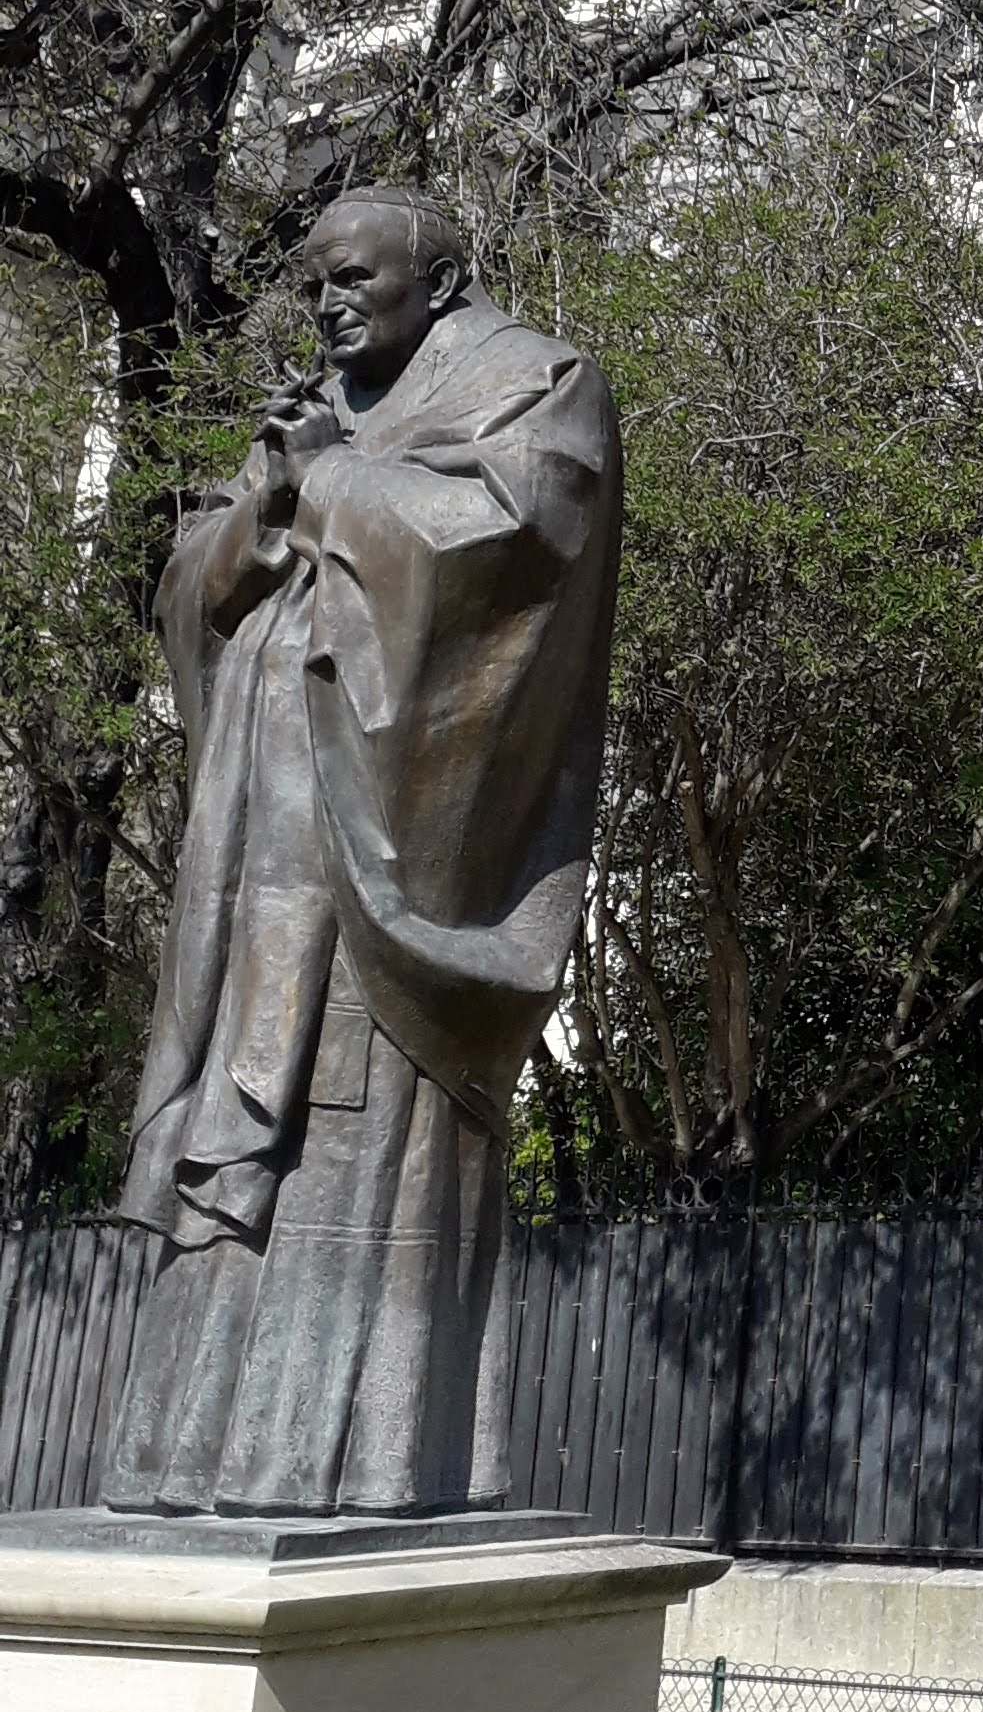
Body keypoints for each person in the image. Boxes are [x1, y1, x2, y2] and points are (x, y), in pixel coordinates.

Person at [105, 191, 622, 1516]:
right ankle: (183, 1462)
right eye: (314, 285)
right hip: (251, 851)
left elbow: (524, 539)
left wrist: (327, 482)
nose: (327, 304)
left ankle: (348, 1468)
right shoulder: (323, 409)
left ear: (438, 282)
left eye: (352, 279)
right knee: (239, 1129)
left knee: (353, 1123)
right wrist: (269, 500)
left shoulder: (536, 382)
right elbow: (193, 587)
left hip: (387, 860)